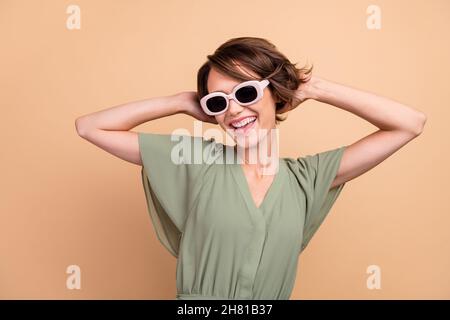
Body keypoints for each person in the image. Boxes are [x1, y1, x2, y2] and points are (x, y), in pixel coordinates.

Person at [75, 37, 427, 300]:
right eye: (217, 102)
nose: (233, 111)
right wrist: (178, 102)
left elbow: (409, 123)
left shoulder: (308, 180)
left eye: (245, 93)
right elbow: (89, 127)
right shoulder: (196, 161)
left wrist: (316, 88)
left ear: (275, 92)